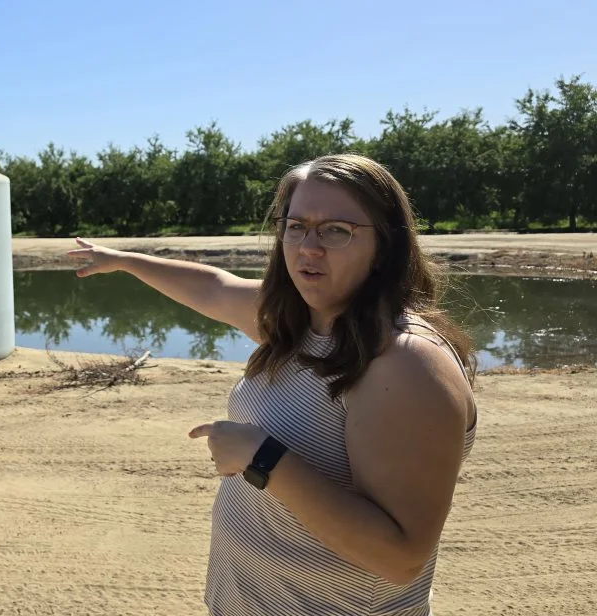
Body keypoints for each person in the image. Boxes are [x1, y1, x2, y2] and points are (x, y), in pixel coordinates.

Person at [67, 154, 478, 615]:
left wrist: (263, 459)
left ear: (384, 245)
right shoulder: (301, 320)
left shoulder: (403, 362)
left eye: (336, 230)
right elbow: (214, 289)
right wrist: (122, 261)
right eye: (297, 226)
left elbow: (400, 558)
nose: (309, 248)